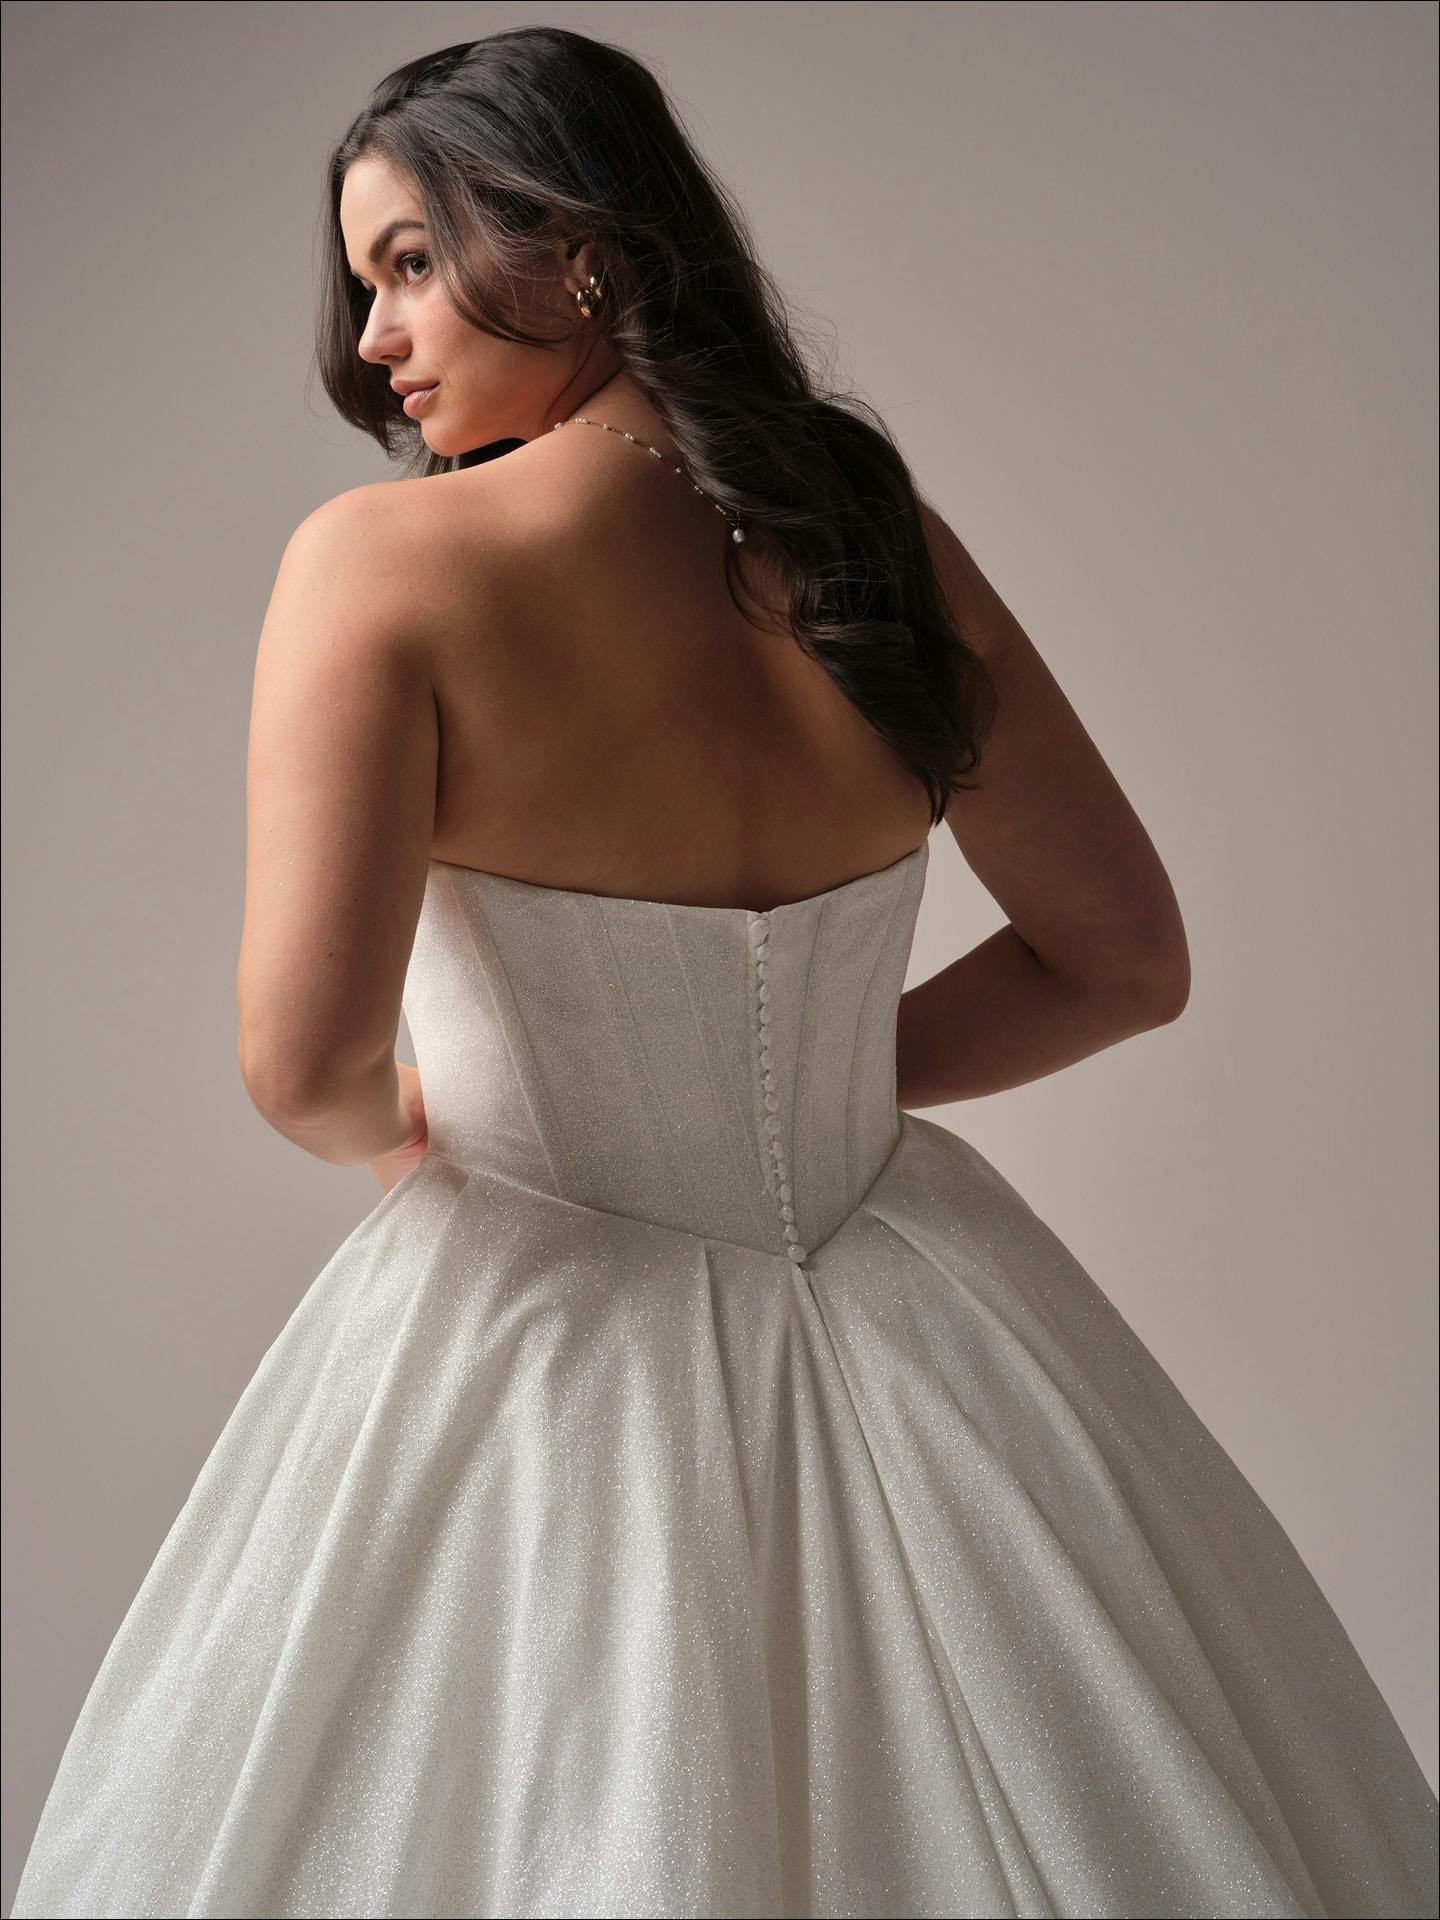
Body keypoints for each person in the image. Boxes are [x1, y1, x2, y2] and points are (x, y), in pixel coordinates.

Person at [11, 24, 1437, 1920]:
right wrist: (813, 1095)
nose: (371, 337)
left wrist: (431, 1131)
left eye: (409, 262)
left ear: (579, 245)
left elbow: (303, 1066)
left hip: (539, 1306)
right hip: (920, 1305)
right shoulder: (868, 540)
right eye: (370, 284)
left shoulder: (387, 569)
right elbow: (1125, 963)